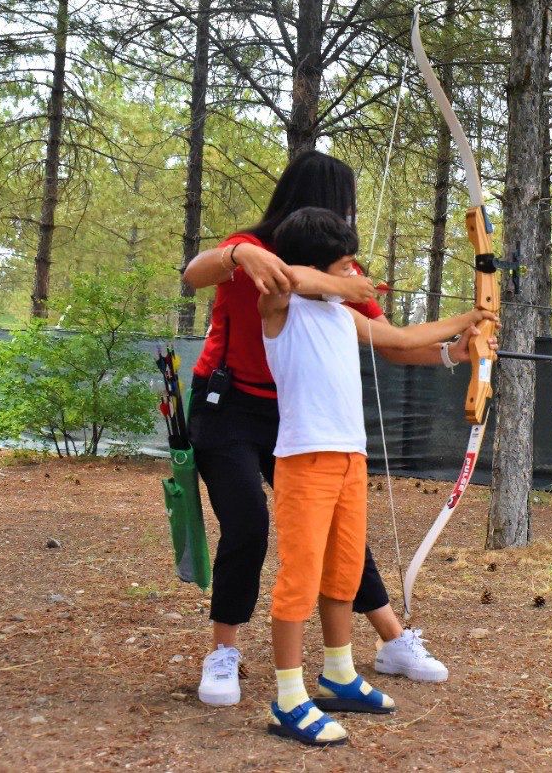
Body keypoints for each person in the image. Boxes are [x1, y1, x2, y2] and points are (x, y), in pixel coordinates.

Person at [183, 151, 476, 706]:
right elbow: (194, 274)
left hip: (302, 417)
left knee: (338, 529)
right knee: (246, 520)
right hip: (232, 405)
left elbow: (386, 340)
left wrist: (451, 351)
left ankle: (391, 641)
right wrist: (239, 254)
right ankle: (224, 653)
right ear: (318, 202)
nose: (350, 213)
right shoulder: (254, 253)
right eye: (344, 203)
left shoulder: (346, 276)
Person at [257, 207, 495, 745]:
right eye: (347, 265)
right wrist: (347, 282)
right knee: (300, 577)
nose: (357, 274)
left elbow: (407, 337)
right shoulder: (280, 304)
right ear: (319, 266)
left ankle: (338, 672)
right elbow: (289, 274)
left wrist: (470, 322)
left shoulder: (345, 316)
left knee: (343, 571)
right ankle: (288, 697)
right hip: (305, 460)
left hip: (350, 460)